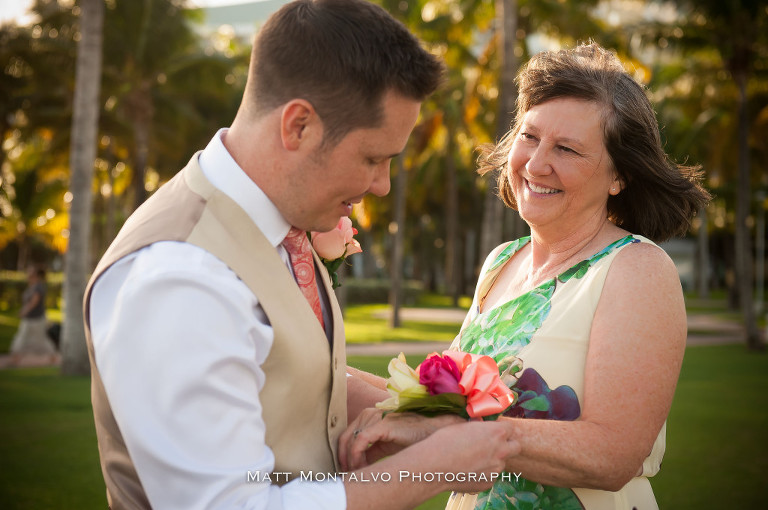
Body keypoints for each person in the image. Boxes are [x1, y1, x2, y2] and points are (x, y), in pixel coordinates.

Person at [83, 1, 519, 509]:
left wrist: (413, 420)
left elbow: (290, 378)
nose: (381, 186)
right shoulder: (181, 275)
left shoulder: (278, 229)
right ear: (298, 127)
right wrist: (430, 467)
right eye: (373, 158)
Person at [340, 42, 711, 509]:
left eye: (568, 149)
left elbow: (613, 455)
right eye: (530, 137)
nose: (536, 165)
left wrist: (452, 434)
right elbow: (437, 402)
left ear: (619, 176)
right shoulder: (501, 261)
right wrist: (313, 367)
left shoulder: (638, 269)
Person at [10, 266, 57, 365]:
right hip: (29, 318)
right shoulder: (32, 286)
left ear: (35, 275)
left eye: (30, 274)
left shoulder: (38, 287)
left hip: (36, 319)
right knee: (22, 337)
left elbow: (34, 302)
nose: (28, 276)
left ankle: (53, 357)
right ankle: (15, 358)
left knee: (40, 339)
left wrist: (24, 311)